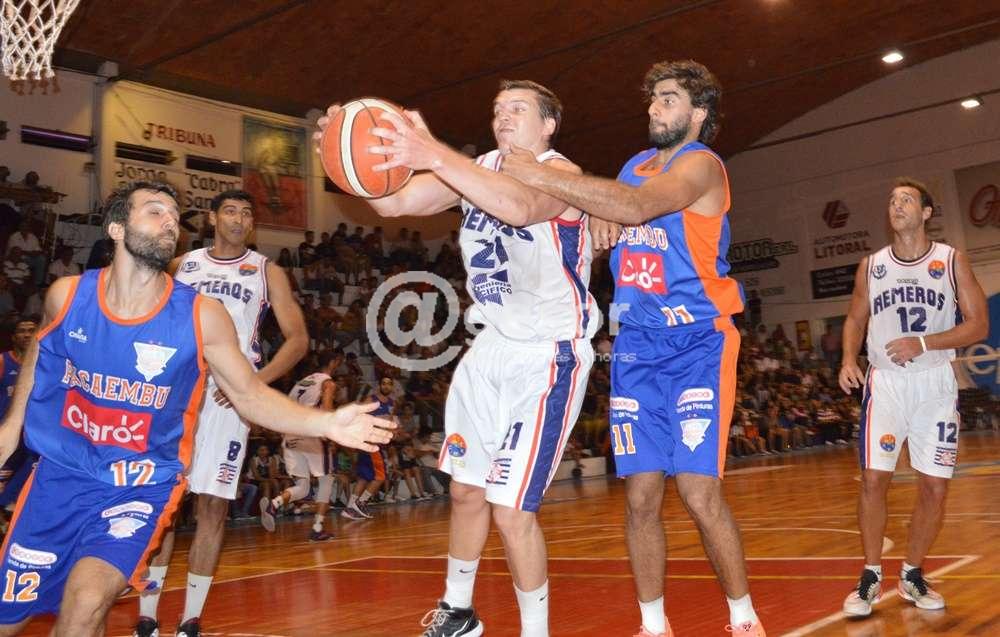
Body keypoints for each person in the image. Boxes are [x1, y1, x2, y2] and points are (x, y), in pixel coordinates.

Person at [0, 182, 393, 636]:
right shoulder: (67, 295)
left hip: (139, 483)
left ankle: (182, 616)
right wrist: (11, 427)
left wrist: (325, 422)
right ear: (116, 228)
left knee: (87, 602)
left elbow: (249, 394)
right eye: (155, 211)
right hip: (61, 476)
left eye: (174, 214)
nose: (170, 220)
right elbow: (42, 352)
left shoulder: (203, 314)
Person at [317, 78, 596, 637]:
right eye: (498, 109)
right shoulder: (479, 168)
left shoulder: (562, 173)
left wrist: (435, 153)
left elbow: (519, 207)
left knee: (512, 510)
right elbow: (393, 201)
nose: (503, 116)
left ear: (548, 125)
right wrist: (345, 154)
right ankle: (458, 610)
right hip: (489, 347)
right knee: (466, 490)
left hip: (548, 354)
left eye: (518, 108)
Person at [499, 60, 764, 636]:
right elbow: (617, 208)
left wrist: (542, 175)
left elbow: (636, 207)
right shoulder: (632, 167)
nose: (654, 108)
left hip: (698, 340)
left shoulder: (702, 165)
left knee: (697, 492)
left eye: (668, 99)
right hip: (637, 346)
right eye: (653, 99)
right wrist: (599, 215)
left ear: (699, 113)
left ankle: (744, 619)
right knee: (641, 495)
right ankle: (653, 624)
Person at [134, 189, 309, 637]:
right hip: (179, 389)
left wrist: (254, 384)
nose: (239, 219)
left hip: (228, 395)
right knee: (165, 504)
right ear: (213, 218)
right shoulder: (181, 265)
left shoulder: (267, 271)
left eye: (247, 213)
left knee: (212, 506)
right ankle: (147, 616)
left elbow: (297, 340)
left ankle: (190, 619)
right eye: (230, 211)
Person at [838, 178, 988, 617]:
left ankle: (912, 574)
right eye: (892, 200)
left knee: (935, 488)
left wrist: (923, 343)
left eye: (906, 199)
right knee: (873, 479)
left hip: (934, 384)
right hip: (886, 384)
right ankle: (870, 576)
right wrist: (848, 358)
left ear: (925, 213)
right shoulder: (871, 266)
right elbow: (854, 318)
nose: (897, 205)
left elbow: (978, 325)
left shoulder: (951, 260)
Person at [260, 348, 345, 541]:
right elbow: (327, 411)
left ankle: (274, 504)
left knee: (303, 486)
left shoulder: (302, 382)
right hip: (311, 433)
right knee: (326, 479)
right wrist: (332, 436)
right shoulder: (328, 383)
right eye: (338, 363)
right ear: (333, 362)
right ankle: (317, 528)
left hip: (291, 433)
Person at [0, 318, 38, 525]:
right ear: (13, 337)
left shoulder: (45, 363)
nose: (26, 335)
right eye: (22, 331)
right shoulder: (3, 361)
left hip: (30, 436)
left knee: (27, 478)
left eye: (31, 330)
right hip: (7, 434)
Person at [341, 376, 395, 520]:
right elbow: (358, 415)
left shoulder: (391, 403)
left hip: (378, 443)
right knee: (380, 477)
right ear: (379, 385)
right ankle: (361, 503)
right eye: (384, 383)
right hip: (371, 443)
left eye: (389, 384)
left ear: (392, 387)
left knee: (363, 478)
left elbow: (388, 422)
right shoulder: (372, 400)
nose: (386, 386)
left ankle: (349, 509)